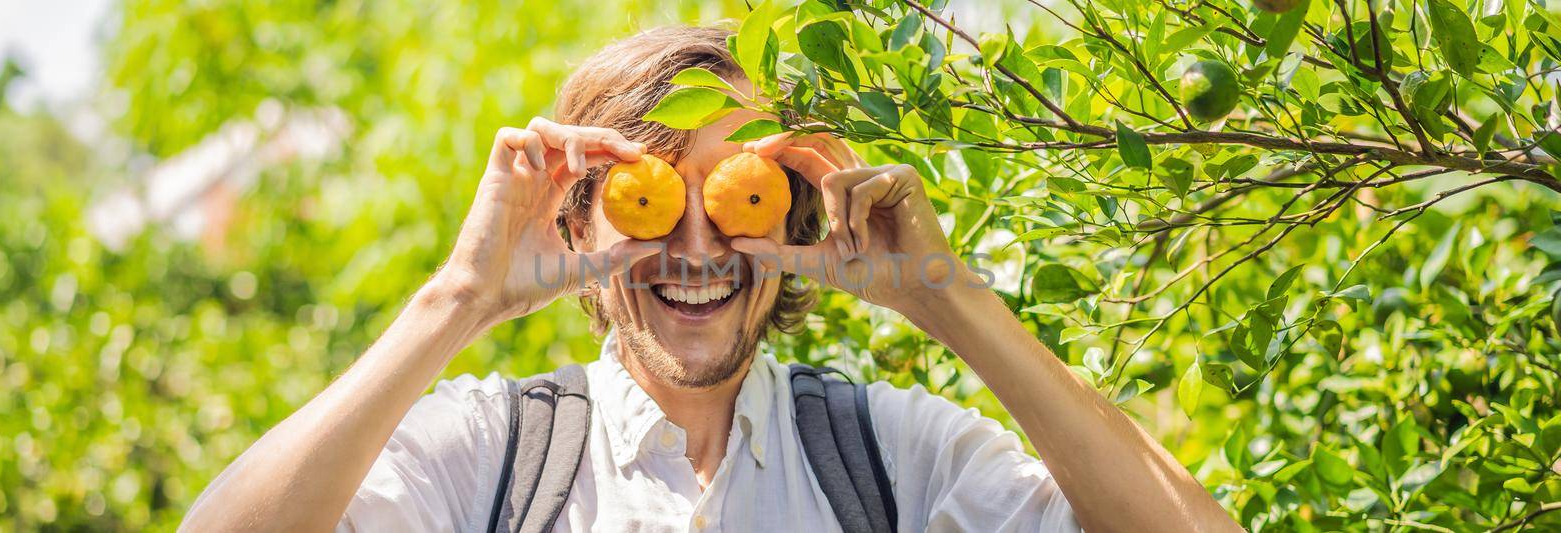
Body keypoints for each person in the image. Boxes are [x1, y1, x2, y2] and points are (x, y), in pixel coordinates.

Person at [181, 26, 1238, 532]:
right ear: (578, 218)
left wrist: (942, 294)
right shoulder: (489, 455)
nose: (695, 246)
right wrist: (460, 297)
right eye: (649, 196)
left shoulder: (896, 457)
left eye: (734, 195)